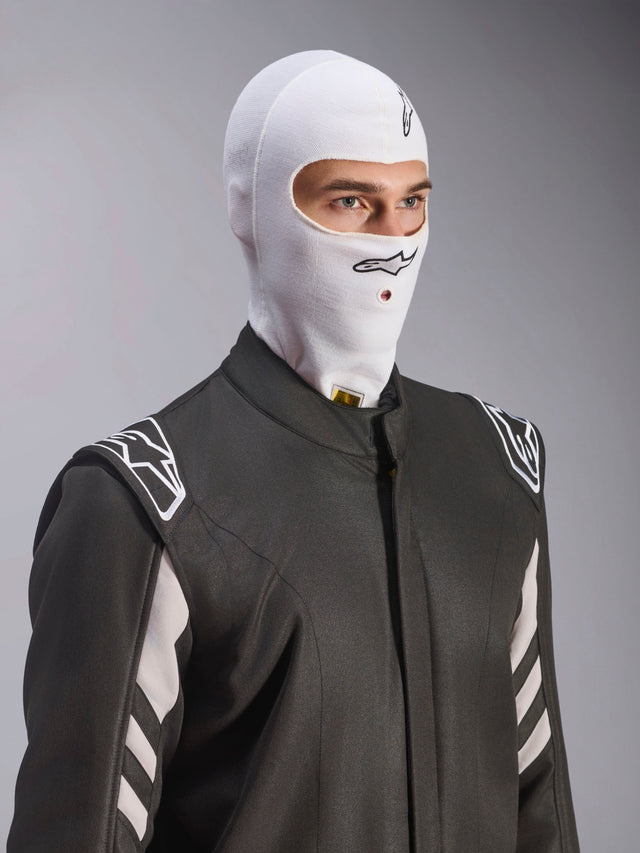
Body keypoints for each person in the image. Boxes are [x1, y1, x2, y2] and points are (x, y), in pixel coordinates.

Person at [9, 50, 580, 852]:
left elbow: (539, 807)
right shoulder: (147, 503)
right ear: (251, 208)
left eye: (411, 202)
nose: (392, 239)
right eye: (350, 200)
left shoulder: (498, 470)